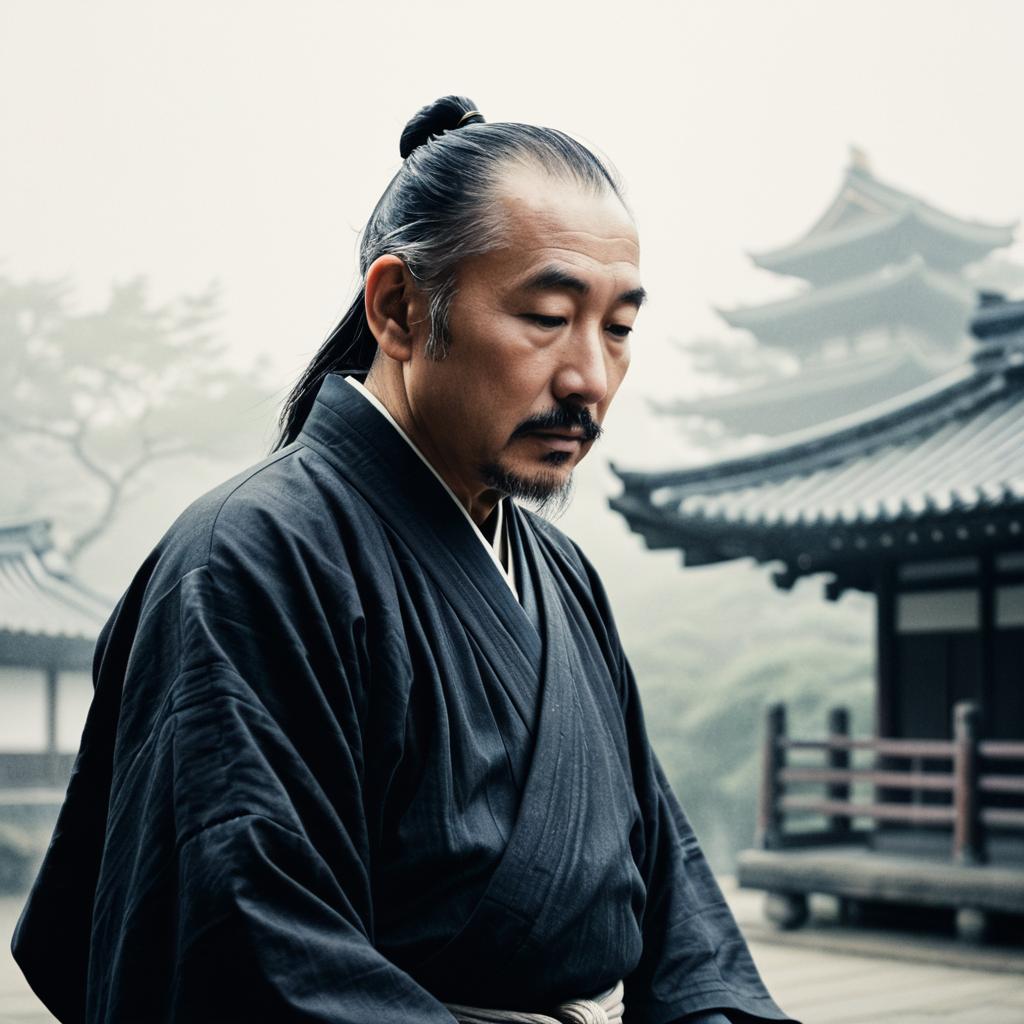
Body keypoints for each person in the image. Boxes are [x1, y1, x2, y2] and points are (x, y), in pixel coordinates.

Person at [12, 96, 795, 1024]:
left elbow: (678, 915)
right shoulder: (251, 559)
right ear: (399, 309)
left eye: (618, 328)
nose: (590, 377)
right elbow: (243, 950)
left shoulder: (565, 577)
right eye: (547, 315)